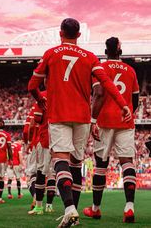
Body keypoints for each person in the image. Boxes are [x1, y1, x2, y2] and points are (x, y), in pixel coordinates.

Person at [28, 18, 132, 228]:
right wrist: (123, 104)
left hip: (59, 114)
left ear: (60, 33)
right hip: (83, 117)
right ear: (78, 35)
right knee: (76, 163)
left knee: (60, 160)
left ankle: (69, 209)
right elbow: (106, 84)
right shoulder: (90, 57)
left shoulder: (51, 53)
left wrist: (40, 99)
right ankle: (73, 212)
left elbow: (32, 85)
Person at [84, 37, 139, 223]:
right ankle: (129, 208)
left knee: (101, 164)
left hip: (104, 121)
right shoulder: (131, 71)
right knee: (127, 162)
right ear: (120, 51)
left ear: (105, 51)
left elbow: (98, 94)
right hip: (125, 121)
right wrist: (127, 112)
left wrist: (93, 120)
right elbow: (136, 100)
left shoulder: (99, 68)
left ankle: (96, 209)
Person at [28, 90, 56, 216]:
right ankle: (50, 205)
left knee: (40, 172)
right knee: (52, 174)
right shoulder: (63, 91)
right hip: (60, 138)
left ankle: (39, 206)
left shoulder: (43, 95)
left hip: (45, 138)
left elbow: (37, 118)